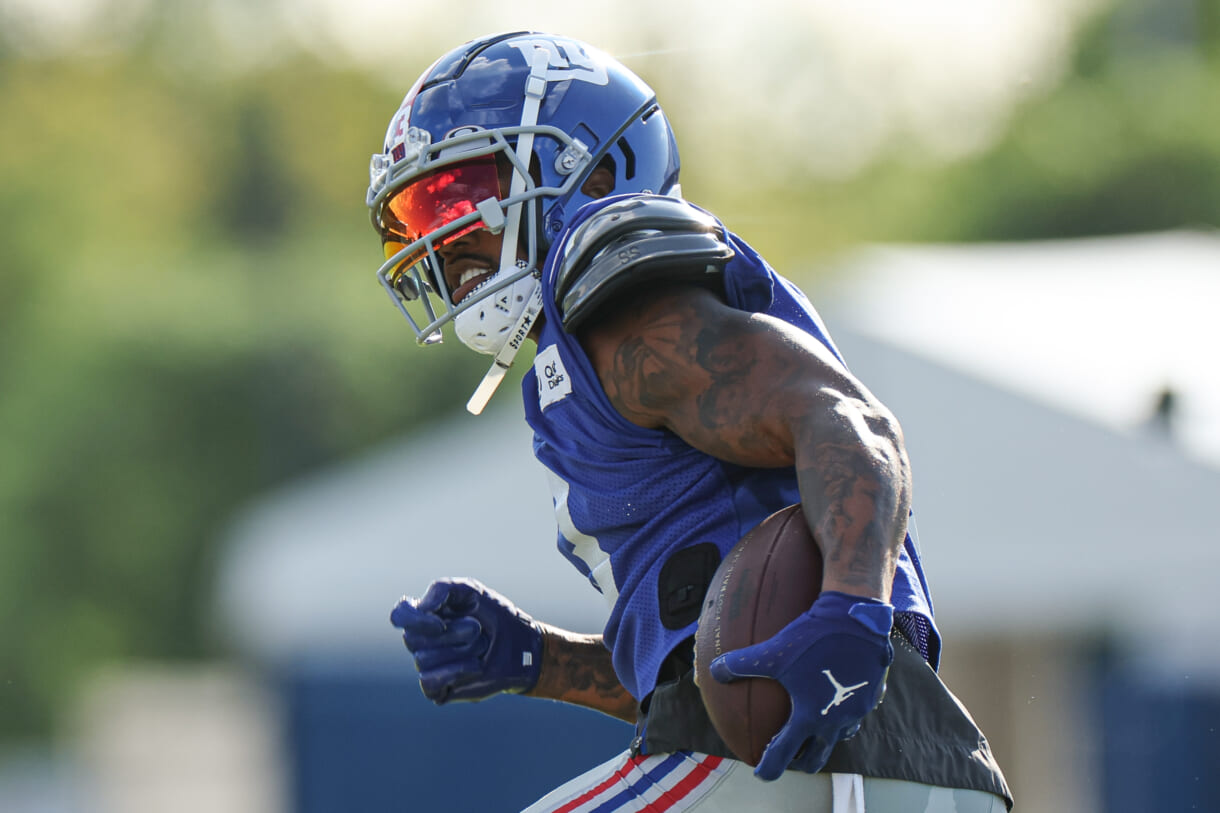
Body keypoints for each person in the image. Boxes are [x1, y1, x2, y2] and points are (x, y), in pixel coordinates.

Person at [367, 31, 1012, 812]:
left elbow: (850, 424)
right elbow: (707, 660)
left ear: (590, 169)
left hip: (811, 760)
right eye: (414, 213)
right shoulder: (583, 362)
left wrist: (852, 609)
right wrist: (537, 657)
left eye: (459, 196)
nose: (443, 239)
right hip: (881, 764)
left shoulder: (620, 296)